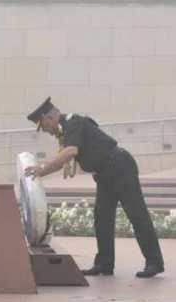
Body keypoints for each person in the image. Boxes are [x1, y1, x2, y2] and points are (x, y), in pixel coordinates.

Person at [25, 97, 164, 278]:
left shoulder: (71, 122)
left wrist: (41, 169)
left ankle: (154, 263)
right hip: (105, 173)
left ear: (49, 118)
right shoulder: (67, 128)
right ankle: (104, 264)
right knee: (102, 218)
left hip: (120, 167)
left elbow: (70, 151)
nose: (46, 131)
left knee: (137, 215)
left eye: (43, 126)